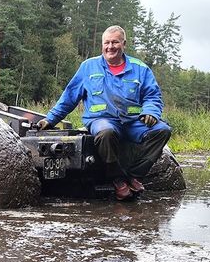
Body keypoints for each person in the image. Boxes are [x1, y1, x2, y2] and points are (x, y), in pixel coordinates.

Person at [38, 25, 171, 200]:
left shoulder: (140, 68)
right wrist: (51, 119)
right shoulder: (88, 67)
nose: (110, 47)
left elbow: (152, 96)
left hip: (132, 122)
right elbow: (69, 96)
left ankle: (134, 176)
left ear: (124, 44)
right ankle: (117, 180)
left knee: (162, 131)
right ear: (102, 45)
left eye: (115, 42)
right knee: (106, 133)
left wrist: (151, 112)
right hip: (101, 120)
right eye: (106, 43)